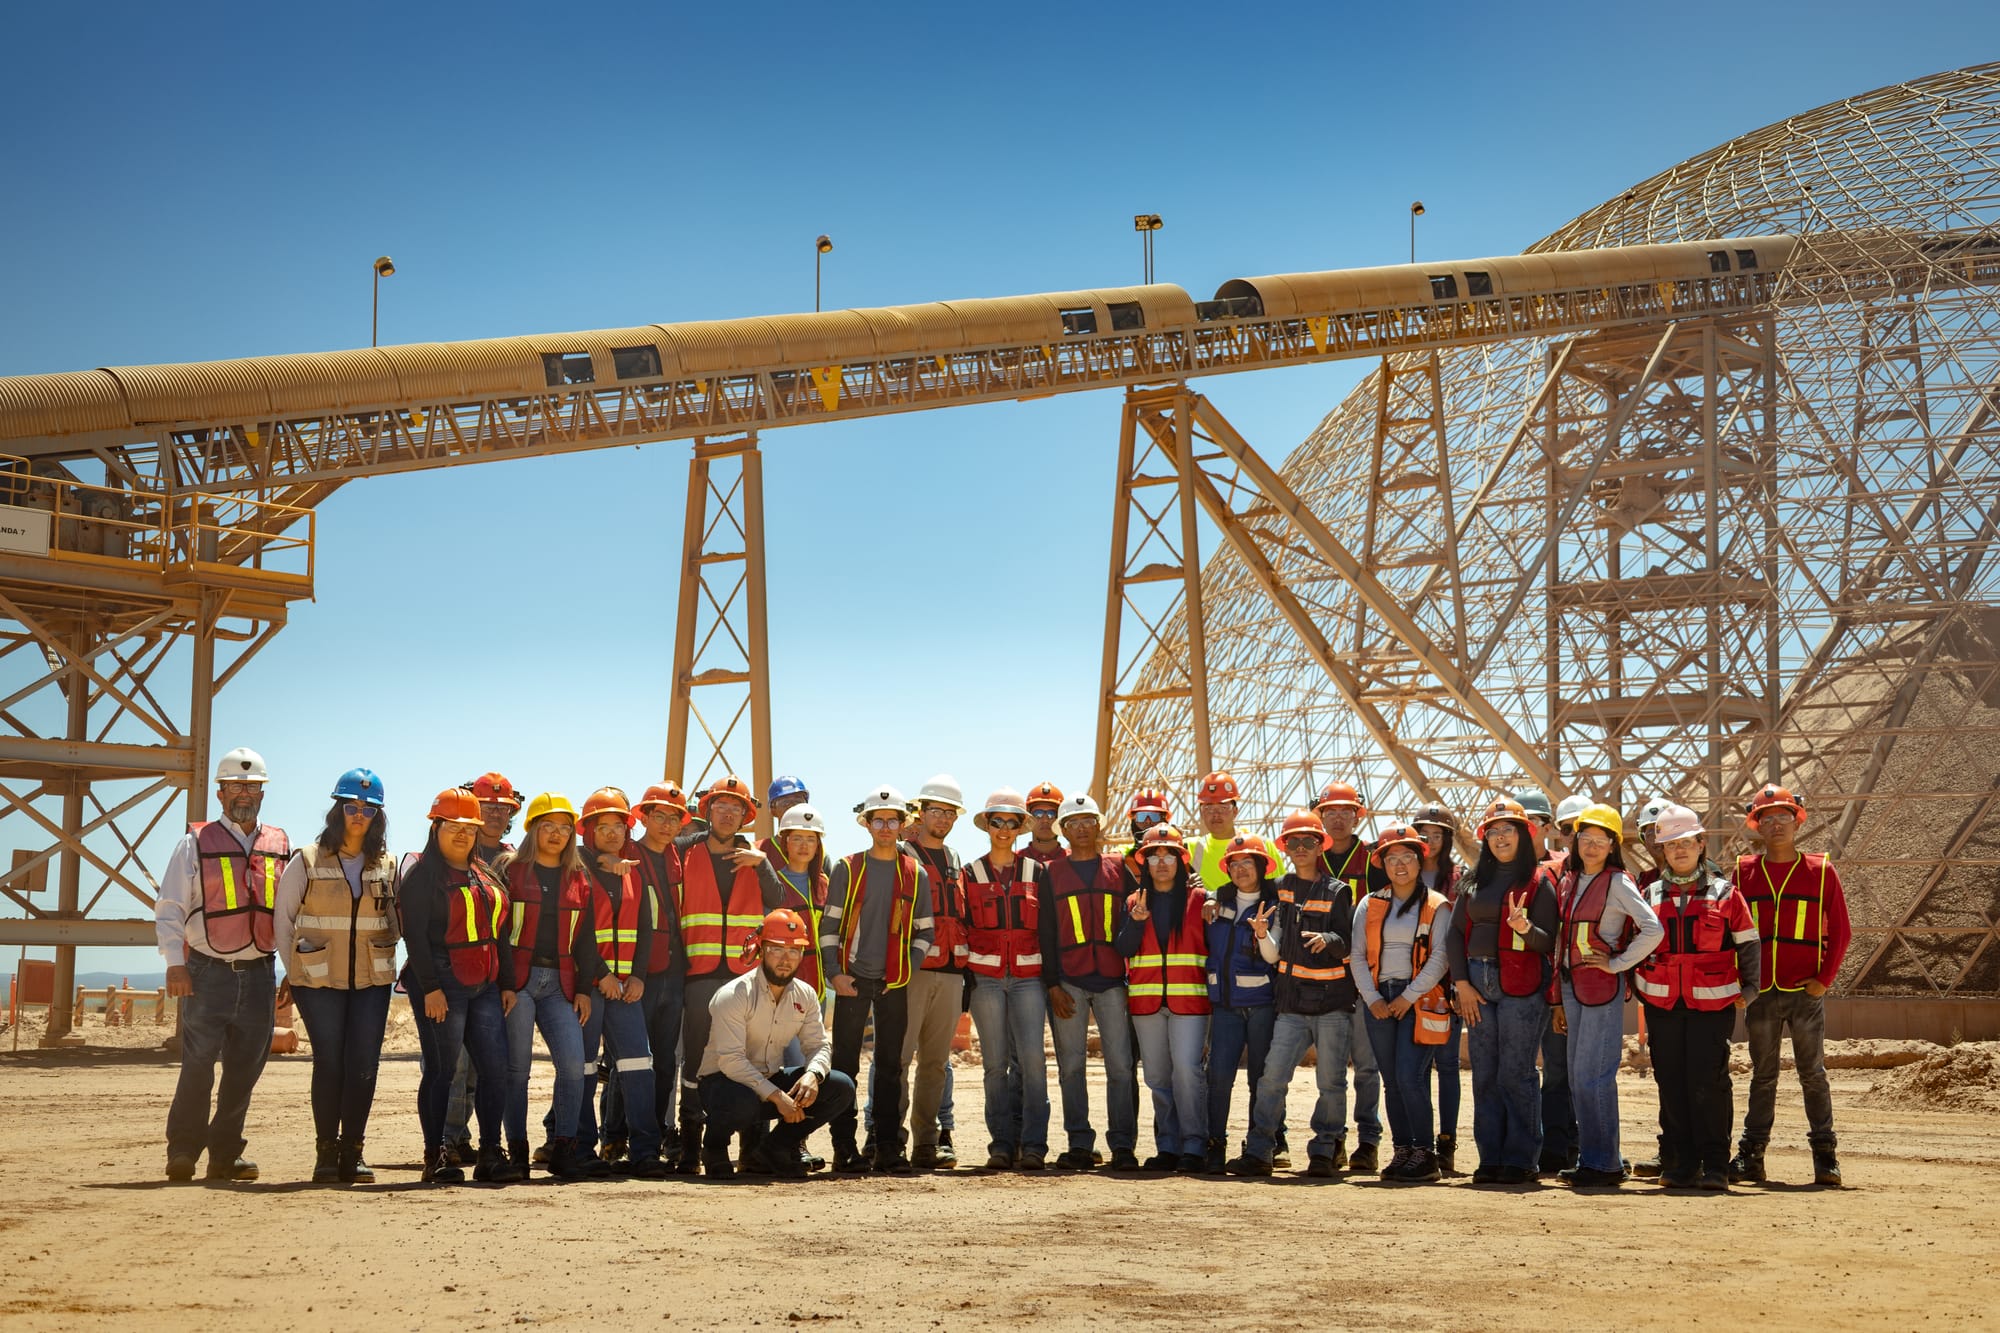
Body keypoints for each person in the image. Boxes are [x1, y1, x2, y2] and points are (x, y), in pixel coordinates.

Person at [157, 746, 289, 1183]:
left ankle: (225, 1154)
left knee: (244, 1070)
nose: (244, 794)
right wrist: (175, 963)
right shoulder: (194, 843)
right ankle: (182, 1152)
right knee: (197, 1065)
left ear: (263, 793)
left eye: (252, 786)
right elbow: (171, 907)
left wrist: (291, 967)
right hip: (206, 972)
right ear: (220, 792)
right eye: (236, 786)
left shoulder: (280, 844)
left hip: (258, 972)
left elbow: (289, 913)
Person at [273, 767, 398, 1184]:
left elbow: (396, 919)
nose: (359, 814)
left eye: (368, 808)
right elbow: (283, 920)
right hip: (319, 981)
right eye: (351, 806)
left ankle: (353, 1153)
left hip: (372, 981)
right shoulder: (306, 860)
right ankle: (326, 1153)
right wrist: (296, 972)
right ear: (337, 810)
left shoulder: (387, 863)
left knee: (364, 1065)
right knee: (330, 1063)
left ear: (378, 816)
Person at [1730, 784, 1852, 1188]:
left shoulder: (1820, 871)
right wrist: (1741, 982)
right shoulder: (1744, 872)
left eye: (1783, 817)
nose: (1776, 825)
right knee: (1762, 1076)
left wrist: (1824, 980)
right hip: (1761, 994)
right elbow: (1731, 931)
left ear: (1797, 823)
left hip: (1804, 993)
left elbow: (1842, 931)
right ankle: (1752, 1157)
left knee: (1812, 1074)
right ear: (1757, 827)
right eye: (1768, 819)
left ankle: (1825, 1158)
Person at [1231, 809, 1363, 1178]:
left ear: (1321, 846)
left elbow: (1348, 941)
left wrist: (1329, 939)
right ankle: (1260, 1150)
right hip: (1290, 1004)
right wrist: (1259, 933)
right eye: (1294, 842)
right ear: (1285, 847)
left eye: (1309, 841)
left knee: (1330, 1082)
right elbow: (1270, 944)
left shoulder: (1339, 892)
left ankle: (1326, 1148)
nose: (1301, 847)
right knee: (1272, 1077)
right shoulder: (1280, 888)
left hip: (1332, 1003)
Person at [1633, 803, 1759, 1190]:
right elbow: (1635, 943)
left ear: (1701, 844)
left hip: (1712, 1004)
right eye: (1672, 845)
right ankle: (1681, 1163)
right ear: (1662, 850)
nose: (1680, 850)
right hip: (1663, 1004)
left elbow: (1748, 944)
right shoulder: (1649, 893)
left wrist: (1750, 988)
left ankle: (1716, 1164)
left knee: (1709, 1082)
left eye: (1687, 842)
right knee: (1671, 1082)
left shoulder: (1725, 893)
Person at [399, 787, 516, 1185]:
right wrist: (431, 988)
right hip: (441, 985)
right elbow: (413, 937)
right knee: (442, 1070)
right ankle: (437, 1155)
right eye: (453, 826)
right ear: (436, 828)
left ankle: (489, 1152)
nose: (462, 834)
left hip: (485, 985)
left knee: (494, 1070)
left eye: (470, 827)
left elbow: (500, 934)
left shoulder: (486, 874)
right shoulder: (420, 878)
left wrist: (507, 983)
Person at [821, 784, 935, 1173]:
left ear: (903, 825)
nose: (886, 827)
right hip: (851, 981)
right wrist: (834, 975)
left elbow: (925, 932)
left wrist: (907, 971)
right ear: (867, 824)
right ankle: (844, 1149)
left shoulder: (915, 873)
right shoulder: (847, 868)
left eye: (893, 820)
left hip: (893, 984)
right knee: (844, 1068)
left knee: (890, 1067)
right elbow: (830, 927)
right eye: (878, 820)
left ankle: (888, 1147)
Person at [672, 775, 783, 1172]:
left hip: (744, 977)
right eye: (721, 806)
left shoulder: (756, 857)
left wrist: (765, 863)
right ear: (707, 810)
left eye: (736, 808)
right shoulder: (684, 850)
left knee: (751, 1059)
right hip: (699, 974)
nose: (728, 813)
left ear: (745, 816)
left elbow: (779, 904)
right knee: (698, 1061)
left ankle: (751, 1151)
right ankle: (689, 1149)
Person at [1446, 796, 1559, 1185]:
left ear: (1524, 834)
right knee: (1486, 1075)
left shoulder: (1539, 882)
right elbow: (1455, 933)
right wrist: (1461, 984)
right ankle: (1490, 1158)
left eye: (1507, 830)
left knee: (1516, 1072)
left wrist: (1525, 929)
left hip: (1522, 987)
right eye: (1492, 832)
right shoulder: (1473, 881)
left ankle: (1522, 1159)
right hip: (1477, 987)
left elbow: (1548, 942)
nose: (1499, 838)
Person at [696, 909, 856, 1178]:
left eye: (794, 951)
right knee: (743, 1101)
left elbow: (819, 1045)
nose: (785, 959)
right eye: (776, 949)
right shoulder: (734, 995)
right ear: (761, 950)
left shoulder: (805, 995)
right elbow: (732, 1061)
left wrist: (813, 1075)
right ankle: (714, 1147)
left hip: (767, 1078)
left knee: (840, 1087)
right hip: (723, 1082)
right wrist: (778, 1096)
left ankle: (774, 1148)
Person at [495, 792, 604, 1182]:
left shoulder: (579, 877)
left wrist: (584, 990)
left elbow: (587, 938)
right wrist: (506, 984)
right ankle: (518, 1152)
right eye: (548, 827)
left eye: (564, 828)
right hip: (519, 984)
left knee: (574, 1068)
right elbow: (500, 933)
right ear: (533, 830)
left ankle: (564, 1149)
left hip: (562, 985)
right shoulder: (510, 870)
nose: (556, 835)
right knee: (517, 1071)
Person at [1552, 803, 1663, 1188]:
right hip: (1572, 987)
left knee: (1593, 1078)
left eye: (1601, 840)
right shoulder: (1569, 879)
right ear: (1576, 840)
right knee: (1579, 1078)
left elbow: (1653, 929)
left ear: (1613, 844)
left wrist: (1617, 963)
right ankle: (1597, 1158)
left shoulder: (1618, 882)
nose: (1592, 846)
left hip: (1600, 988)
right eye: (1586, 838)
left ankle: (1603, 1164)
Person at [567, 787, 672, 1179]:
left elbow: (646, 928)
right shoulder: (575, 871)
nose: (612, 833)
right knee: (583, 1068)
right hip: (590, 987)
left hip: (627, 988)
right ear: (588, 831)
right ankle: (581, 1147)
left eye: (618, 826)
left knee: (638, 1065)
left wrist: (639, 976)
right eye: (603, 826)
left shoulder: (634, 872)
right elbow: (577, 933)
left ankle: (645, 1151)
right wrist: (601, 976)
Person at [1040, 793, 1140, 1171]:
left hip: (1113, 980)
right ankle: (1079, 1142)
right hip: (1069, 983)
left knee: (1120, 1066)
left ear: (1099, 825)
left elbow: (1138, 915)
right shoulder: (1053, 873)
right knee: (1071, 1066)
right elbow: (1046, 931)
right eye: (1073, 823)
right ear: (1063, 831)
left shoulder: (1119, 868)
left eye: (1088, 821)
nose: (1081, 828)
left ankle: (1123, 1146)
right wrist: (1052, 984)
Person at [1354, 822, 1455, 1182]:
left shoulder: (1436, 905)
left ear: (1419, 861)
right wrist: (1373, 998)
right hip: (1379, 998)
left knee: (1410, 1077)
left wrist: (1408, 997)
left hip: (1421, 999)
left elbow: (1440, 957)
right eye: (1392, 857)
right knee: (1392, 1081)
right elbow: (1357, 955)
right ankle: (1403, 1151)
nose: (1400, 865)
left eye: (1407, 857)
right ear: (1382, 863)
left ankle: (1425, 1155)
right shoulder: (1369, 904)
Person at [598, 782, 689, 1167]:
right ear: (644, 817)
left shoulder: (679, 854)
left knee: (664, 1061)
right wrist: (604, 863)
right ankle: (614, 1138)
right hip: (639, 974)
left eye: (674, 818)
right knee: (629, 1059)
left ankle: (648, 1140)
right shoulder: (625, 851)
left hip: (674, 972)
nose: (667, 824)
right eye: (659, 816)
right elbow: (583, 856)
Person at [962, 788, 1051, 1170]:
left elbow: (1048, 928)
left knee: (1032, 1063)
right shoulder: (970, 873)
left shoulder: (1037, 873)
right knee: (995, 1064)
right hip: (986, 980)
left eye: (1010, 822)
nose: (1002, 828)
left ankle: (1033, 1146)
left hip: (1029, 979)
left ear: (1019, 827)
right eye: (996, 821)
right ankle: (1001, 1144)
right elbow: (962, 928)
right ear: (987, 826)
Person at [1114, 823, 1210, 1172]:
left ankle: (1195, 1146)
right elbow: (1123, 948)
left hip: (1190, 1003)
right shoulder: (1133, 902)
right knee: (1156, 1077)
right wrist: (1137, 922)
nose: (1162, 862)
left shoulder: (1201, 901)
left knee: (1187, 1072)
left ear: (1182, 861)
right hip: (1147, 1004)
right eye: (1154, 856)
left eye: (1170, 855)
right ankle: (1167, 1146)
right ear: (1145, 864)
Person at [443, 770, 522, 1163]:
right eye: (486, 806)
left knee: (481, 1067)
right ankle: (449, 1138)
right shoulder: (449, 854)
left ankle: (464, 1137)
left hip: (494, 978)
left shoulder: (514, 860)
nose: (494, 813)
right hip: (455, 977)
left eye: (501, 808)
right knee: (455, 1066)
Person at [893, 775, 968, 1170]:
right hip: (912, 972)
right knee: (900, 1059)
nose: (942, 818)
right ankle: (887, 1140)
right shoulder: (902, 855)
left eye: (949, 812)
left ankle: (926, 1143)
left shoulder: (956, 861)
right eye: (935, 810)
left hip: (952, 973)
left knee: (936, 1063)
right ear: (920, 813)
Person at [1310, 780, 1384, 1174]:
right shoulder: (1311, 859)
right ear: (1320, 817)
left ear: (1359, 815)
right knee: (1331, 1068)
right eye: (1330, 812)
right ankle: (1332, 1139)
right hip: (1323, 979)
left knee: (1368, 1067)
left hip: (1365, 977)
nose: (1338, 819)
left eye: (1346, 812)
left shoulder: (1373, 861)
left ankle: (1368, 1141)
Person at [1203, 833, 1279, 1173]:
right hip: (1226, 1007)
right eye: (1234, 864)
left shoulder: (1278, 903)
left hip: (1262, 1005)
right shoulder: (1217, 903)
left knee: (1261, 1079)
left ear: (1262, 866)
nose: (1240, 869)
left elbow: (1274, 957)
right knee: (1218, 1076)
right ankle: (1214, 1145)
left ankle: (1261, 1148)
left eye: (1248, 862)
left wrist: (1262, 933)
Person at [1412, 803, 1465, 1173]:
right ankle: (1418, 1144)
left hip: (1446, 985)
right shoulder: (1401, 873)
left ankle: (1446, 1143)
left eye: (1436, 833)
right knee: (1414, 1068)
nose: (1428, 839)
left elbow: (1462, 933)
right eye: (1422, 833)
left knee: (1446, 1065)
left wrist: (1462, 981)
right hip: (1410, 984)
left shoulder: (1460, 880)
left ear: (1447, 838)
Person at [1530, 790, 1581, 1173]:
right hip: (1522, 982)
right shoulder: (1497, 871)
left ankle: (1563, 1145)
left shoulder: (1564, 868)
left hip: (1562, 982)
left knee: (1563, 1069)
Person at [1186, 770, 1251, 891]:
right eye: (1209, 808)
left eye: (1223, 808)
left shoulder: (1260, 846)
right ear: (1201, 813)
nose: (1216, 814)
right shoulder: (1190, 848)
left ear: (1235, 811)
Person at [1021, 780, 1067, 867]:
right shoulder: (1014, 861)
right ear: (1028, 819)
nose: (1045, 820)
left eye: (1051, 814)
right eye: (1038, 814)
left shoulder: (1074, 860)